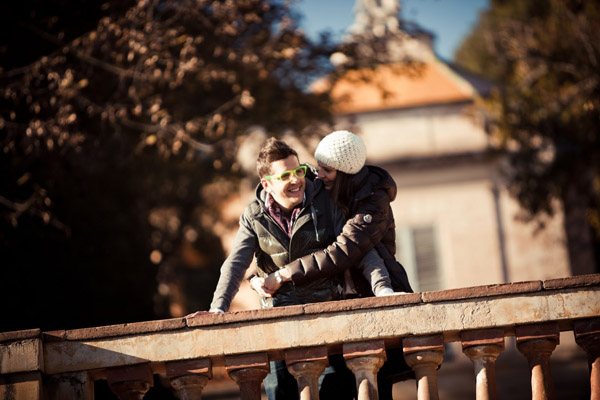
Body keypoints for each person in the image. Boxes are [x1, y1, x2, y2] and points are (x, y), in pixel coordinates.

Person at [204, 137, 394, 400]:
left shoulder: (325, 202)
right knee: (281, 394)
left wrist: (382, 288)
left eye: (298, 171)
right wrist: (218, 308)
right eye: (286, 176)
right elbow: (236, 263)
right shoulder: (253, 216)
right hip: (279, 326)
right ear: (267, 184)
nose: (296, 180)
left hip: (327, 322)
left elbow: (359, 252)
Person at [260, 130, 414, 399]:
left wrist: (286, 273)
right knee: (334, 388)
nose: (318, 175)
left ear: (344, 172)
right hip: (335, 303)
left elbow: (343, 252)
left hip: (368, 299)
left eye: (326, 170)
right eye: (317, 168)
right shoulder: (329, 190)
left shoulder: (373, 202)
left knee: (373, 386)